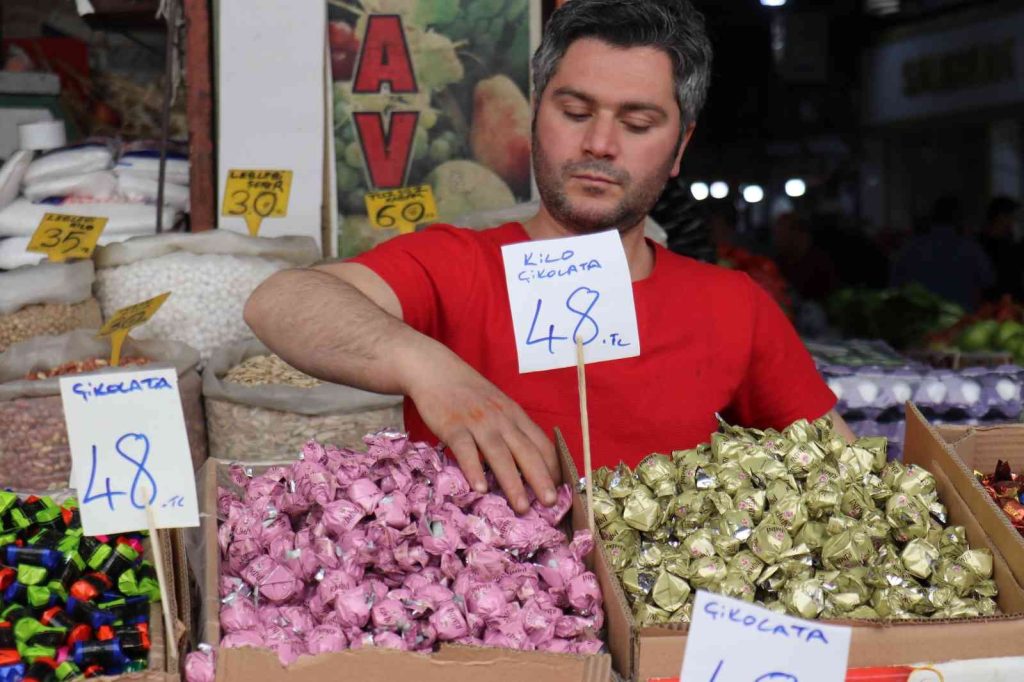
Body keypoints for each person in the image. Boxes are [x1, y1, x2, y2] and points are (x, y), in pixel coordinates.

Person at [244, 0, 852, 514]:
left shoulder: (733, 306)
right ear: (535, 116)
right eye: (575, 112)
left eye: (638, 123)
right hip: (487, 630)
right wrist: (427, 368)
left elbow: (851, 487)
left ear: (679, 148)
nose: (599, 144)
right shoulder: (458, 265)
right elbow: (280, 302)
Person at [891, 195, 995, 311]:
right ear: (959, 219)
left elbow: (894, 286)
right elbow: (988, 281)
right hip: (961, 320)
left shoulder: (910, 248)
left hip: (919, 319)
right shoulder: (971, 248)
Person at [978, 196, 1022, 300]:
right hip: (988, 304)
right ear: (1001, 217)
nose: (1014, 222)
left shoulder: (1011, 245)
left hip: (1009, 305)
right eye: (1012, 217)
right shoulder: (980, 245)